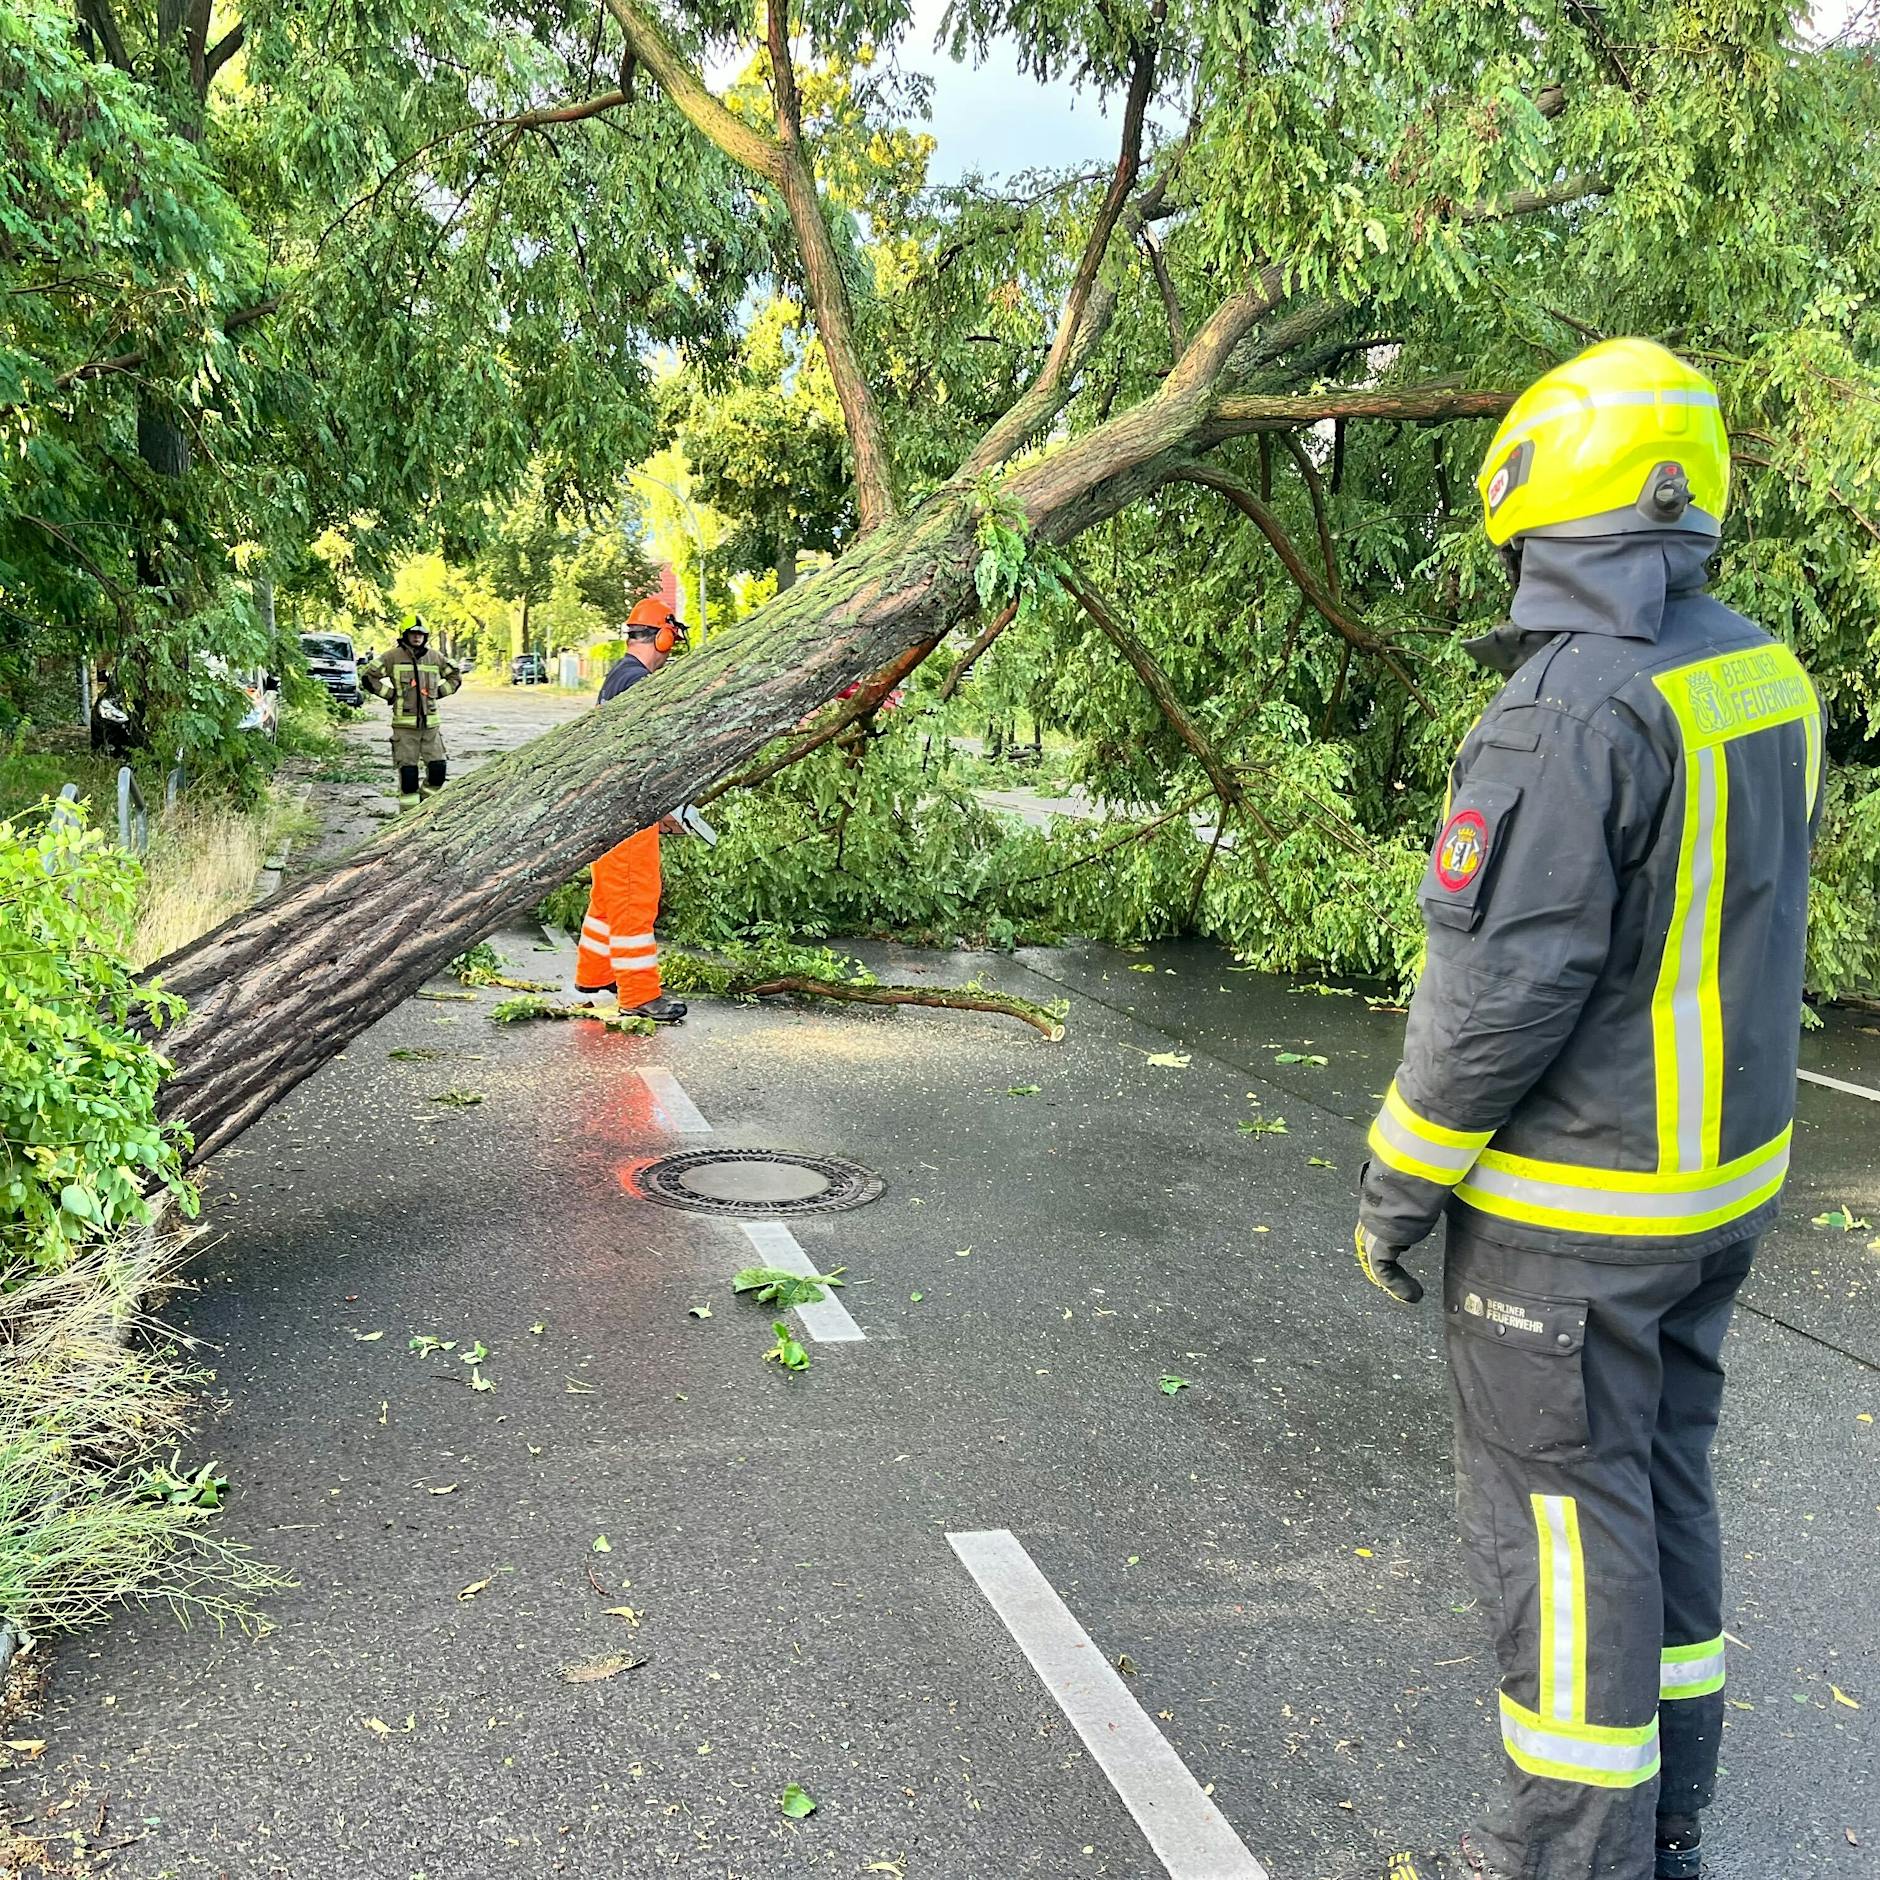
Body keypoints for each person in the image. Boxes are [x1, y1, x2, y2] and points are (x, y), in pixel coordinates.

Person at [1352, 340, 1824, 1880]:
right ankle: (1666, 1824)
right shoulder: (1759, 675)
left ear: (1547, 508)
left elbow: (1498, 997)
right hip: (1714, 1200)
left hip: (1574, 1219)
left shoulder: (1563, 709)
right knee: (1657, 1485)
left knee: (1563, 1534)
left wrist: (1395, 1191)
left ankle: (1568, 1861)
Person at [575, 596, 691, 1024]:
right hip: (628, 810)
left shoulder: (619, 676)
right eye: (671, 638)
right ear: (662, 637)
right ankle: (640, 995)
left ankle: (595, 974)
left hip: (607, 807)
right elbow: (643, 757)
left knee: (608, 898)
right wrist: (663, 806)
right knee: (633, 898)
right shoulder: (638, 682)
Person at [359, 613, 462, 810]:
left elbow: (455, 677)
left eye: (420, 634)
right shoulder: (392, 657)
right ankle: (408, 815)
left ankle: (425, 805)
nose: (417, 637)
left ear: (426, 636)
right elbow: (368, 677)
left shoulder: (435, 657)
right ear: (405, 635)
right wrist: (391, 695)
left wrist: (438, 693)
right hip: (404, 728)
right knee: (409, 775)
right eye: (413, 633)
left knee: (438, 770)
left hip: (430, 727)